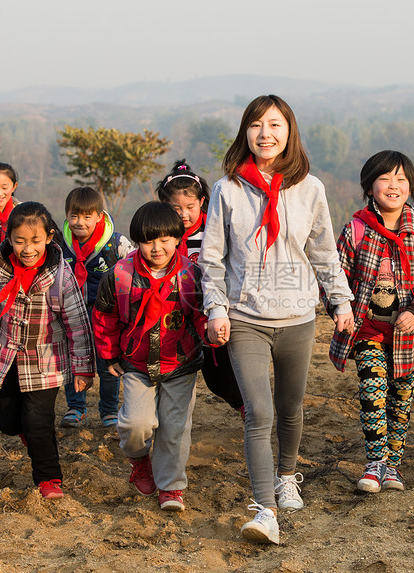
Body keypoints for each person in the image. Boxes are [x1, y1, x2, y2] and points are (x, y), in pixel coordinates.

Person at [199, 94, 354, 545]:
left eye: (274, 125)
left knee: (290, 407)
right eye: (256, 125)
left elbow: (324, 253)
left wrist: (339, 302)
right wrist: (216, 308)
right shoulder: (226, 190)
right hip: (244, 317)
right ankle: (264, 508)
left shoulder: (311, 189)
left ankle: (288, 474)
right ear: (245, 132)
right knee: (259, 411)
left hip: (299, 316)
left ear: (289, 132)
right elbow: (211, 259)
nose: (265, 134)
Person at [0, 202, 94, 500]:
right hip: (5, 359)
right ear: (9, 239)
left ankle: (49, 479)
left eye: (35, 241)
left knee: (38, 422)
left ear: (48, 237)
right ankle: (26, 433)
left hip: (45, 363)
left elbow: (78, 323)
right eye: (19, 241)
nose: (27, 249)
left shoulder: (60, 276)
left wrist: (83, 368)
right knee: (6, 422)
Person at [329, 150, 414, 495]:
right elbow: (336, 276)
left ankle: (393, 465)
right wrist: (340, 308)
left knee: (401, 401)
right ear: (369, 187)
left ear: (410, 187)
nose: (393, 186)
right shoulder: (357, 230)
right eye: (384, 179)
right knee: (373, 392)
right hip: (367, 330)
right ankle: (375, 462)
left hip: (408, 335)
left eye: (401, 180)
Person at [93, 201, 206, 512]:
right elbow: (105, 317)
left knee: (174, 427)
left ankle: (170, 487)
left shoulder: (190, 274)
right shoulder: (120, 275)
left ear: (178, 239)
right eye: (148, 240)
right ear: (138, 241)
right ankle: (140, 460)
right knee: (134, 425)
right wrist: (109, 355)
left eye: (165, 240)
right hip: (136, 363)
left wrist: (211, 332)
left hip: (180, 363)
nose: (157, 248)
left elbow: (200, 315)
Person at [157, 160, 244, 416]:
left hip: (210, 311)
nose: (183, 214)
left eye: (190, 207)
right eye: (175, 208)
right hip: (173, 314)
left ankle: (245, 409)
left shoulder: (213, 230)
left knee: (218, 376)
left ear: (202, 201)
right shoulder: (161, 235)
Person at [58, 186, 132, 429]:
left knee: (108, 364)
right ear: (67, 215)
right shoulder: (58, 244)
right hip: (70, 314)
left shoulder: (116, 243)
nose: (80, 222)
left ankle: (109, 410)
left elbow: (134, 269)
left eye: (87, 216)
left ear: (100, 216)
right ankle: (76, 407)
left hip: (106, 316)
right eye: (74, 216)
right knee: (73, 361)